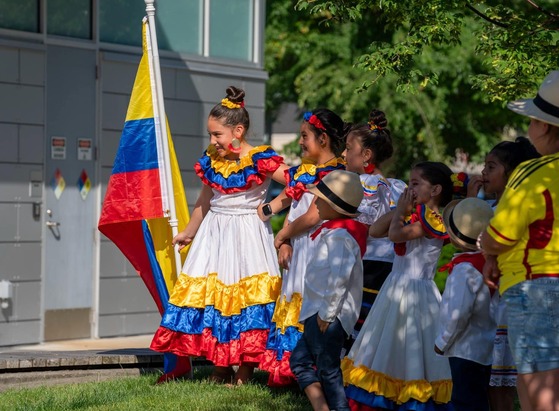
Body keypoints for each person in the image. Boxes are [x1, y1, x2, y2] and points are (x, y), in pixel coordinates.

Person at [150, 86, 287, 385]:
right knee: (215, 298)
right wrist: (189, 231)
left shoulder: (259, 158)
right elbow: (204, 200)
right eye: (211, 135)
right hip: (215, 233)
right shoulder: (213, 159)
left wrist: (270, 208)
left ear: (237, 131)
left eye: (217, 135)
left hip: (248, 235)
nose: (212, 141)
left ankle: (246, 369)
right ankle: (220, 366)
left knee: (246, 298)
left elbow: (296, 183)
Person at [343, 161, 454, 411]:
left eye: (415, 184)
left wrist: (403, 213)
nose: (409, 188)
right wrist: (400, 210)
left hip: (417, 292)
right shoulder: (413, 213)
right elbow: (376, 229)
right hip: (395, 286)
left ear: (435, 190)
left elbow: (395, 236)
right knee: (384, 343)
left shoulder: (435, 222)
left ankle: (410, 395)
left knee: (411, 343)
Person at [479, 70, 559, 411]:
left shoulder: (531, 174)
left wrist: (486, 245)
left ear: (543, 126)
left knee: (537, 392)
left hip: (535, 287)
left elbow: (501, 235)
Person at [259, 109, 347, 386]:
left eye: (304, 136)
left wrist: (280, 235)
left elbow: (313, 215)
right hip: (299, 248)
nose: (300, 142)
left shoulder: (336, 174)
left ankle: (311, 371)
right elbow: (295, 207)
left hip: (317, 249)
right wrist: (285, 241)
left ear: (323, 139)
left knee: (311, 303)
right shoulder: (305, 171)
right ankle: (290, 371)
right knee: (294, 299)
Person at [467, 136, 539, 411]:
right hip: (486, 303)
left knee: (503, 386)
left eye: (491, 166)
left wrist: (472, 206)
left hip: (504, 303)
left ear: (512, 175)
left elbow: (473, 237)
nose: (484, 173)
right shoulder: (490, 208)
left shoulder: (507, 211)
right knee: (490, 384)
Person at [289, 170, 368, 411]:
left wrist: (327, 314)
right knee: (302, 361)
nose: (315, 202)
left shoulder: (340, 236)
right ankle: (322, 407)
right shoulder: (333, 232)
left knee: (327, 369)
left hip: (327, 315)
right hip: (318, 311)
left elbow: (339, 279)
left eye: (320, 199)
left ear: (335, 206)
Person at [341, 109, 396, 355]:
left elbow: (360, 228)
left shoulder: (365, 185)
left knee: (358, 321)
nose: (343, 153)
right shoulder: (396, 186)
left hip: (368, 266)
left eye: (348, 148)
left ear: (366, 155)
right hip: (390, 265)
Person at [435, 197, 498, 411]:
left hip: (463, 349)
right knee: (476, 401)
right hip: (482, 349)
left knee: (463, 402)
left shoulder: (464, 270)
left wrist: (442, 342)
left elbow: (458, 313)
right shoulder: (487, 265)